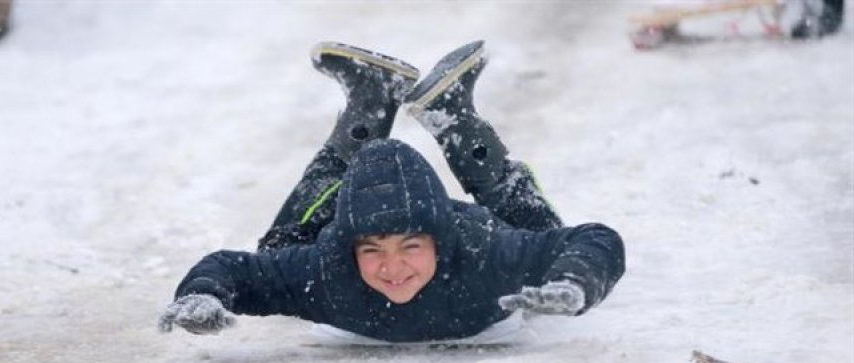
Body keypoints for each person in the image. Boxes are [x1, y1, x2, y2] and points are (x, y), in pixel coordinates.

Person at [158, 41, 626, 343]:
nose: (393, 266)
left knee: (540, 232)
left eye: (411, 246)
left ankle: (432, 113)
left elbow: (594, 240)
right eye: (372, 249)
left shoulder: (487, 255)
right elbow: (230, 269)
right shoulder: (324, 271)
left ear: (440, 241)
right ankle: (392, 105)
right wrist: (204, 294)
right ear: (348, 247)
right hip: (345, 245)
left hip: (478, 237)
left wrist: (574, 282)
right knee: (283, 250)